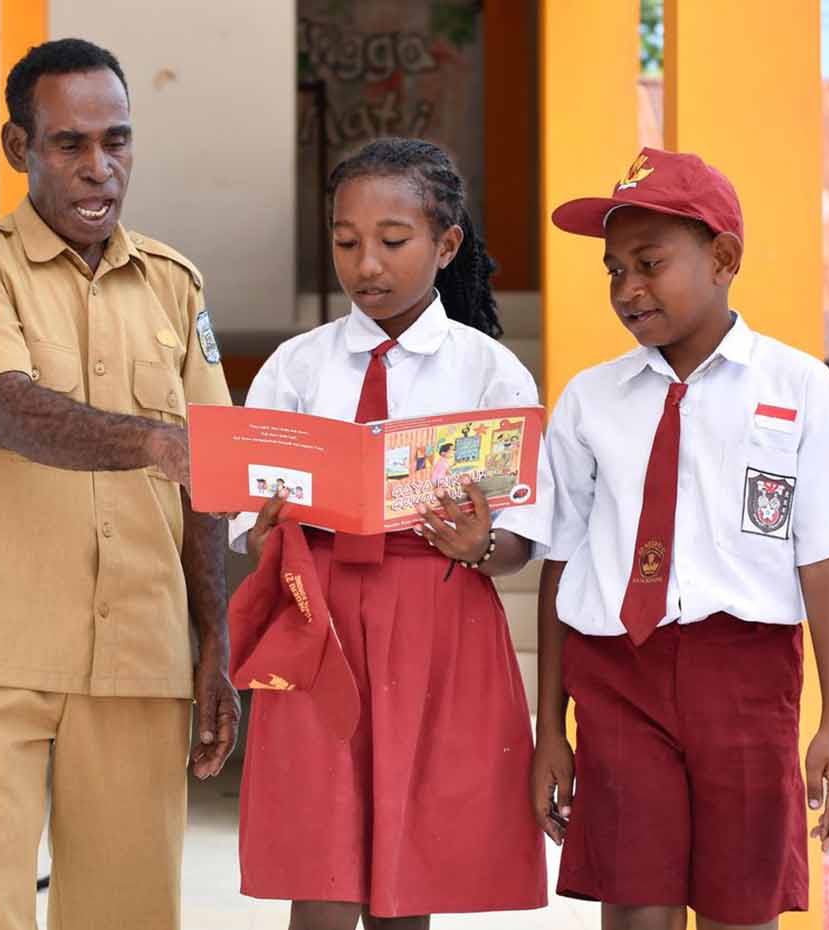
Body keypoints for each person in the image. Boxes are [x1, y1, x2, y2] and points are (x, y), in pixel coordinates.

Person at [0, 38, 237, 930]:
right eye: (70, 144)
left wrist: (215, 639)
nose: (100, 167)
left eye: (116, 141)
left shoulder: (175, 286)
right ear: (20, 147)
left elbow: (210, 475)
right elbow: (8, 410)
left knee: (128, 914)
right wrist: (156, 443)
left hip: (139, 651)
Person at [532, 147, 829, 930]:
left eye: (649, 263)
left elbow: (826, 559)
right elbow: (561, 561)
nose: (627, 289)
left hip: (745, 676)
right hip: (618, 674)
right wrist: (549, 731)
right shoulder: (590, 401)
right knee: (636, 903)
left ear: (724, 259)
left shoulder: (798, 388)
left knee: (742, 904)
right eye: (613, 270)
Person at [228, 138, 552, 929]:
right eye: (346, 242)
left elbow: (519, 539)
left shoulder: (489, 372)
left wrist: (480, 544)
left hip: (437, 618)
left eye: (393, 241)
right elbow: (248, 521)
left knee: (411, 862)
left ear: (446, 244)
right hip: (320, 620)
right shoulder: (297, 367)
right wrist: (267, 531)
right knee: (321, 858)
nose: (366, 264)